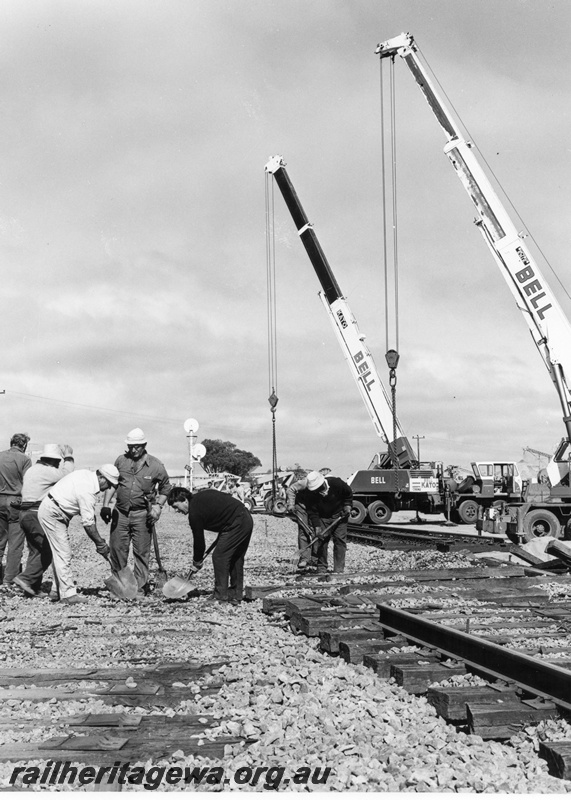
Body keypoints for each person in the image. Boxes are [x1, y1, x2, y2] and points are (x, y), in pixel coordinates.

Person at [100, 428, 172, 596]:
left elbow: (166, 488)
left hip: (142, 514)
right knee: (118, 550)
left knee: (141, 551)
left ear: (144, 445)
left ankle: (139, 587)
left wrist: (158, 506)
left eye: (137, 446)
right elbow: (113, 484)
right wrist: (105, 505)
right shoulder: (120, 461)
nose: (133, 450)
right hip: (121, 513)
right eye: (131, 446)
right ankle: (121, 585)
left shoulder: (156, 466)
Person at [37, 465, 119, 604]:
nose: (107, 488)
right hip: (53, 513)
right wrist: (100, 543)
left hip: (55, 509)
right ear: (101, 478)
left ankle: (56, 591)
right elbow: (88, 524)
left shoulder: (85, 475)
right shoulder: (87, 491)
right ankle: (68, 595)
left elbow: (90, 516)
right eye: (109, 484)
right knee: (63, 553)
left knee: (59, 552)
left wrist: (99, 540)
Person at [168, 485, 253, 605]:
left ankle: (220, 596)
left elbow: (199, 542)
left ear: (185, 500)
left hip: (237, 522)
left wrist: (197, 561)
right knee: (236, 558)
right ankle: (235, 594)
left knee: (220, 557)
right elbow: (222, 511)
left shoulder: (194, 513)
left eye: (176, 507)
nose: (177, 511)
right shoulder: (198, 500)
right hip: (245, 518)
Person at [14, 444, 75, 597]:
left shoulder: (32, 470)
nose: (59, 465)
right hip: (36, 513)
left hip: (25, 514)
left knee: (35, 551)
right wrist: (69, 457)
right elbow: (68, 475)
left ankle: (32, 588)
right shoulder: (48, 471)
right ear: (53, 461)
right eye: (58, 462)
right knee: (47, 551)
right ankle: (25, 579)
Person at [303, 470, 353, 575]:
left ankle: (339, 569)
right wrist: (317, 527)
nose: (316, 491)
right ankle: (321, 567)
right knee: (321, 541)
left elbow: (348, 494)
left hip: (340, 515)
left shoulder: (337, 483)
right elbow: (312, 511)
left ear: (322, 483)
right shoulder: (310, 493)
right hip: (322, 517)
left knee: (340, 540)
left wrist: (347, 505)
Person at [0, 433, 31, 587]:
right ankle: (9, 580)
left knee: (0, 541)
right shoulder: (24, 459)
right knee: (15, 543)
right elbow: (28, 482)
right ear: (24, 445)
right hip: (16, 502)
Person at [286, 473, 317, 570]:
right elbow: (290, 490)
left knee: (317, 531)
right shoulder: (304, 483)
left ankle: (316, 558)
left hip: (314, 508)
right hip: (301, 507)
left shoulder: (323, 485)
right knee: (304, 531)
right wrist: (291, 504)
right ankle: (304, 558)